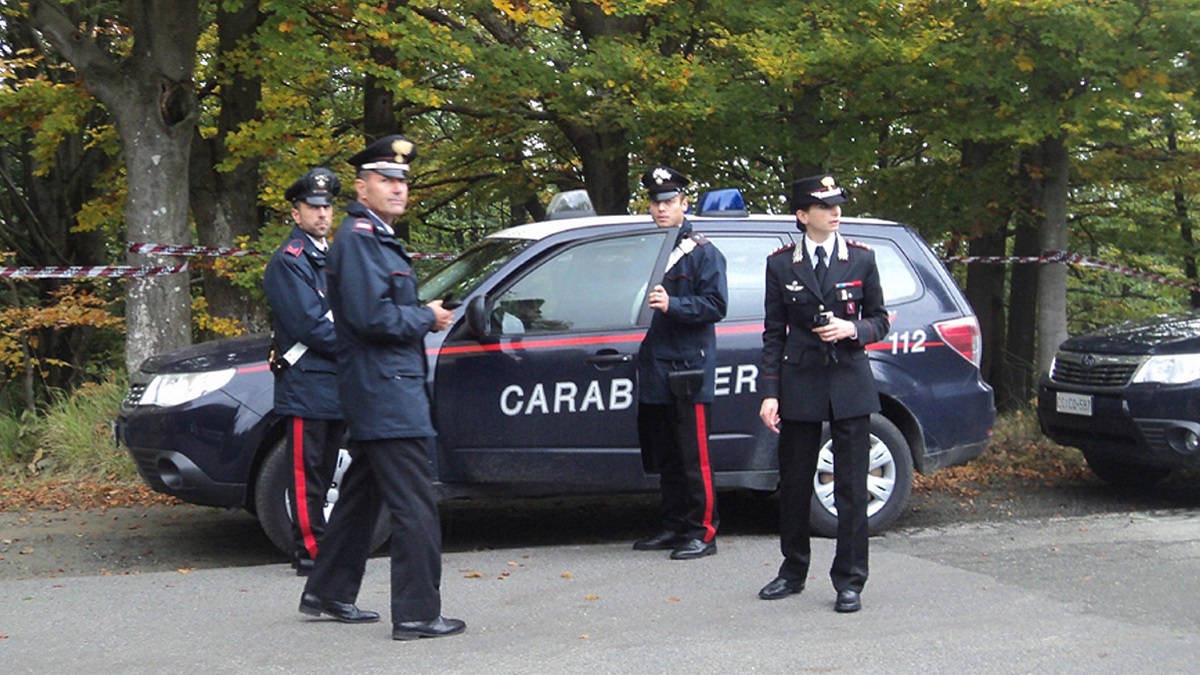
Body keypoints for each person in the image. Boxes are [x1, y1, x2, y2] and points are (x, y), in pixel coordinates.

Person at [298, 134, 464, 641]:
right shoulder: (362, 239)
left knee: (360, 498)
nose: (397, 189)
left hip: (380, 386)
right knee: (414, 504)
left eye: (402, 181)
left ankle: (326, 591)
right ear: (362, 186)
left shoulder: (372, 235)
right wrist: (425, 316)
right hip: (386, 389)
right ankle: (416, 613)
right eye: (385, 179)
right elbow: (371, 317)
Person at [756, 174, 890, 613]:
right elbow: (773, 334)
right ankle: (792, 570)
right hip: (800, 381)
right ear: (801, 215)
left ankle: (849, 580)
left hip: (849, 380)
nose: (835, 212)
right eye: (824, 206)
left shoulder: (861, 259)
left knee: (852, 487)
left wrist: (854, 328)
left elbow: (881, 320)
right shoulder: (780, 264)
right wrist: (770, 392)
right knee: (794, 484)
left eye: (838, 205)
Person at [631, 165, 729, 561]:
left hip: (688, 365)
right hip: (655, 363)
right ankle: (673, 526)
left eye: (669, 201)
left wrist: (674, 304)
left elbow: (716, 305)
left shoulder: (703, 252)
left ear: (684, 204)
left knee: (694, 457)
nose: (661, 208)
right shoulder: (644, 248)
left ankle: (703, 532)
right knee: (667, 454)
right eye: (656, 202)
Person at [262, 167, 345, 576]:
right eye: (313, 207)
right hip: (307, 379)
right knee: (306, 472)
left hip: (334, 381)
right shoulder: (288, 262)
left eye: (327, 206)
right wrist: (358, 342)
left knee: (327, 470)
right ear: (296, 214)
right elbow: (311, 325)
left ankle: (324, 542)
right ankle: (311, 550)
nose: (322, 214)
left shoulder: (333, 256)